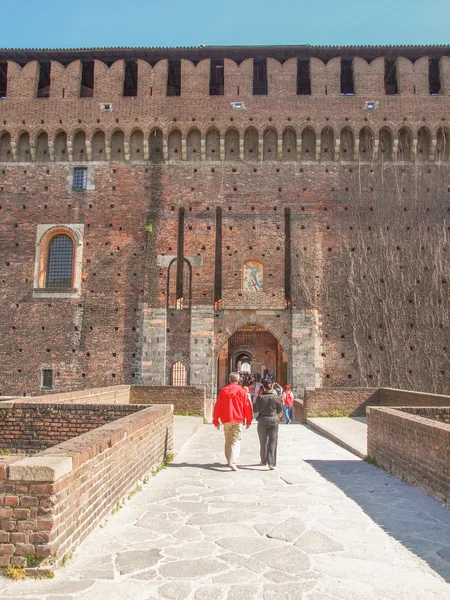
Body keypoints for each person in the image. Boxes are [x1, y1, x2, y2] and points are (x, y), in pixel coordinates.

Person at [213, 372, 253, 471]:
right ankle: (232, 461)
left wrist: (215, 420)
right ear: (238, 380)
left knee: (228, 440)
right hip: (238, 419)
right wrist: (249, 419)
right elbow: (247, 406)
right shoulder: (242, 391)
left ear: (229, 380)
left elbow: (218, 406)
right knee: (236, 440)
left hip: (226, 419)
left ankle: (229, 460)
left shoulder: (224, 391)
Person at [254, 380, 282, 470]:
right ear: (272, 387)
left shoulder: (260, 397)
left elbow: (255, 410)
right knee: (273, 441)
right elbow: (279, 410)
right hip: (273, 420)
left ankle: (263, 460)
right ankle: (271, 463)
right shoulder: (276, 398)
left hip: (262, 421)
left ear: (264, 387)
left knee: (263, 442)